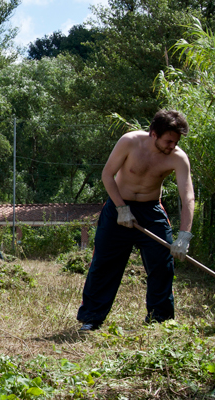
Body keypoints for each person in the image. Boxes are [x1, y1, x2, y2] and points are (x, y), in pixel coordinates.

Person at [77, 110, 195, 331]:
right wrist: (122, 208)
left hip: (151, 212)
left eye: (176, 142)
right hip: (117, 206)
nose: (172, 146)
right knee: (104, 264)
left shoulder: (178, 158)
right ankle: (92, 318)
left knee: (162, 265)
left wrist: (184, 235)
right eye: (168, 141)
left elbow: (187, 196)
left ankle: (160, 320)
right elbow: (107, 175)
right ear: (154, 134)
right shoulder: (129, 142)